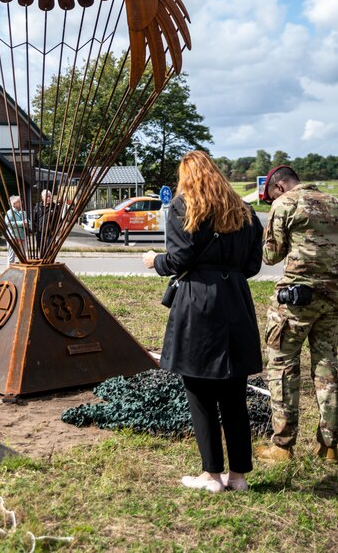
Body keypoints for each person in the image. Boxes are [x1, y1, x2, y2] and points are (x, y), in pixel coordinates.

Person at [143, 151, 263, 493]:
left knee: (199, 390)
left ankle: (211, 475)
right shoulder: (244, 210)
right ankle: (238, 477)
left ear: (187, 178)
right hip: (237, 301)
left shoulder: (185, 206)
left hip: (198, 302)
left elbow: (179, 258)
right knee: (234, 394)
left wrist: (155, 260)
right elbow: (253, 266)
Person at [256, 165, 337, 464]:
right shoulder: (335, 201)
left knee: (282, 367)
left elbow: (271, 254)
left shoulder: (285, 204)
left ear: (279, 187)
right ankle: (331, 446)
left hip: (296, 302)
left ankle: (282, 446)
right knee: (329, 370)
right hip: (334, 300)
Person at [4, 195, 28, 265]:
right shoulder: (9, 213)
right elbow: (9, 223)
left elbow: (28, 222)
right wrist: (22, 223)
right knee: (11, 256)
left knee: (23, 256)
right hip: (13, 237)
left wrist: (27, 224)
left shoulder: (23, 212)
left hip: (22, 236)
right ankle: (9, 270)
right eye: (19, 202)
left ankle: (22, 270)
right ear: (14, 204)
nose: (21, 203)